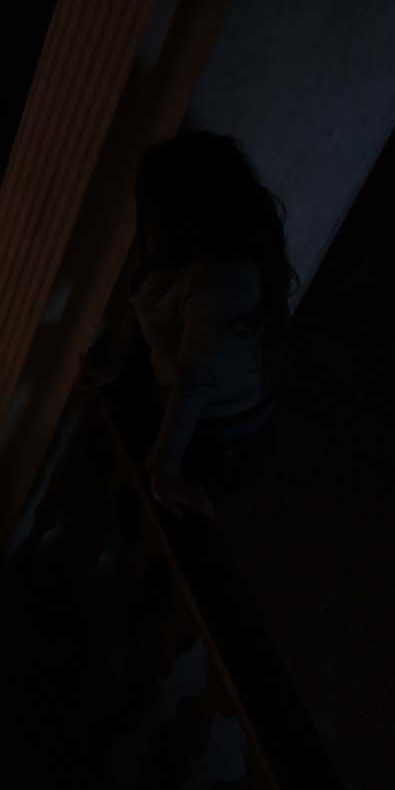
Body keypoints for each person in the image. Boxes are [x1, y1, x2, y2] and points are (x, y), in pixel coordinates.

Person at [87, 131, 296, 517]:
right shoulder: (170, 247)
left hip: (219, 434)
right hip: (183, 402)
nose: (143, 217)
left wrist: (163, 471)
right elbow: (144, 304)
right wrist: (115, 358)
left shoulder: (225, 277)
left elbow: (193, 380)